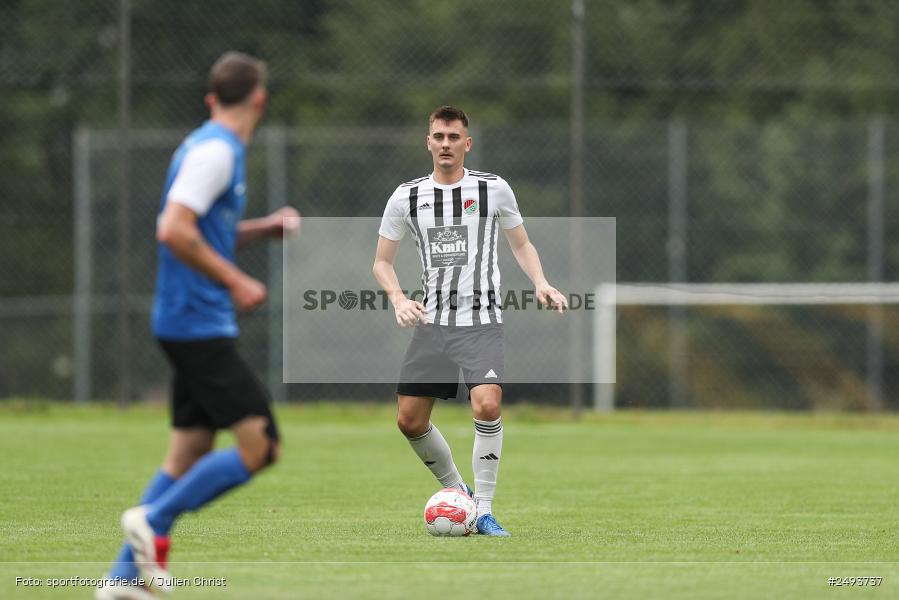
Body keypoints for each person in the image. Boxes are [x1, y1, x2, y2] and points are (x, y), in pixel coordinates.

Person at [96, 51, 299, 599]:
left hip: (189, 322)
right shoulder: (217, 153)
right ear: (258, 99)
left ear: (213, 99)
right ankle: (152, 518)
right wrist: (236, 281)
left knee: (188, 451)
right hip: (197, 326)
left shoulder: (203, 145)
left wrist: (263, 230)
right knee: (263, 447)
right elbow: (173, 229)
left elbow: (201, 231)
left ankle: (121, 582)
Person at [373, 105, 567, 537]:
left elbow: (521, 244)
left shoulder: (493, 189)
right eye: (439, 137)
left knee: (488, 403)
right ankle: (456, 490)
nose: (445, 144)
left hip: (481, 320)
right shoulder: (405, 196)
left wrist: (540, 282)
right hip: (432, 322)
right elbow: (382, 263)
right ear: (428, 142)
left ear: (467, 143)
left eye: (453, 137)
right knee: (409, 420)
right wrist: (399, 297)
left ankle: (482, 509)